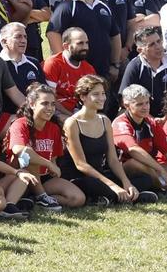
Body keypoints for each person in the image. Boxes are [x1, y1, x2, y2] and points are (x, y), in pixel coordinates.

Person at [61, 75, 142, 205]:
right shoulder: (72, 123)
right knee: (95, 184)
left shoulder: (105, 120)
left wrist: (127, 182)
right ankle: (127, 197)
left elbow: (113, 160)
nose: (102, 98)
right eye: (96, 94)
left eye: (103, 93)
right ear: (83, 97)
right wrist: (113, 186)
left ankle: (114, 197)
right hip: (80, 178)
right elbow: (81, 165)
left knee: (144, 179)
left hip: (100, 175)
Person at [3, 86, 85, 208]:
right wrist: (48, 164)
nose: (50, 108)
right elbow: (19, 150)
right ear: (32, 104)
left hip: (44, 179)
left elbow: (54, 159)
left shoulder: (54, 128)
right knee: (28, 156)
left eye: (52, 104)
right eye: (45, 103)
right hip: (20, 177)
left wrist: (52, 166)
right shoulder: (20, 124)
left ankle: (35, 200)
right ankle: (41, 196)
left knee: (78, 199)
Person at [111, 84, 167, 197]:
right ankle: (165, 187)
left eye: (147, 103)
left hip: (151, 167)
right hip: (124, 169)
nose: (145, 107)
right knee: (136, 163)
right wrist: (161, 171)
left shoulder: (151, 122)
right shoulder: (120, 123)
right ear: (126, 105)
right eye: (139, 104)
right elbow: (134, 150)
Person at [47, 0, 121, 77]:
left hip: (104, 72)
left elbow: (115, 35)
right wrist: (65, 64)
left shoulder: (103, 6)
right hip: (77, 74)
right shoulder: (67, 7)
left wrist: (115, 64)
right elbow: (53, 33)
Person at [42, 26, 100, 111]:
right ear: (66, 46)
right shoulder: (53, 64)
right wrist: (70, 117)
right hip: (54, 112)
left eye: (86, 43)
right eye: (80, 43)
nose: (85, 47)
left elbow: (92, 99)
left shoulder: (89, 69)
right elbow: (49, 99)